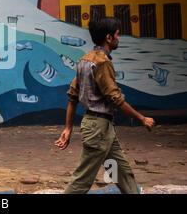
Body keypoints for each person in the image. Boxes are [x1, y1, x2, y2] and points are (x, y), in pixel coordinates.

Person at [55, 17, 155, 194]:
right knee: (82, 180)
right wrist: (142, 118)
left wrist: (68, 128)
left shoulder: (84, 61)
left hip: (102, 128)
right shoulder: (102, 63)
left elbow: (72, 96)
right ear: (109, 38)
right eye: (117, 35)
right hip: (98, 129)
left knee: (120, 172)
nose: (119, 38)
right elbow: (115, 98)